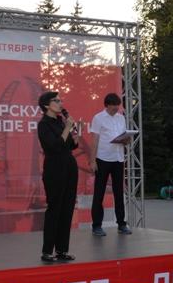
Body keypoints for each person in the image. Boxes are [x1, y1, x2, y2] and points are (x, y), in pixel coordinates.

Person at [37, 91, 80, 262]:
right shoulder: (43, 125)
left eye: (61, 100)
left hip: (69, 165)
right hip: (54, 168)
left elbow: (68, 146)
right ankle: (47, 251)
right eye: (56, 100)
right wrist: (68, 128)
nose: (60, 103)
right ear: (46, 105)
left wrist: (75, 138)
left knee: (67, 208)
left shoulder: (61, 122)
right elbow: (54, 147)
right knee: (54, 208)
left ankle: (62, 250)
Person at [89, 93, 131, 236]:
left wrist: (126, 139)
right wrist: (92, 160)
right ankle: (96, 225)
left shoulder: (121, 118)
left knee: (119, 192)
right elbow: (94, 140)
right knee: (99, 193)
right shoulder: (98, 118)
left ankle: (121, 224)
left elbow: (125, 139)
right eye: (114, 105)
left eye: (118, 105)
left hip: (118, 158)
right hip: (103, 158)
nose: (116, 108)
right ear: (107, 105)